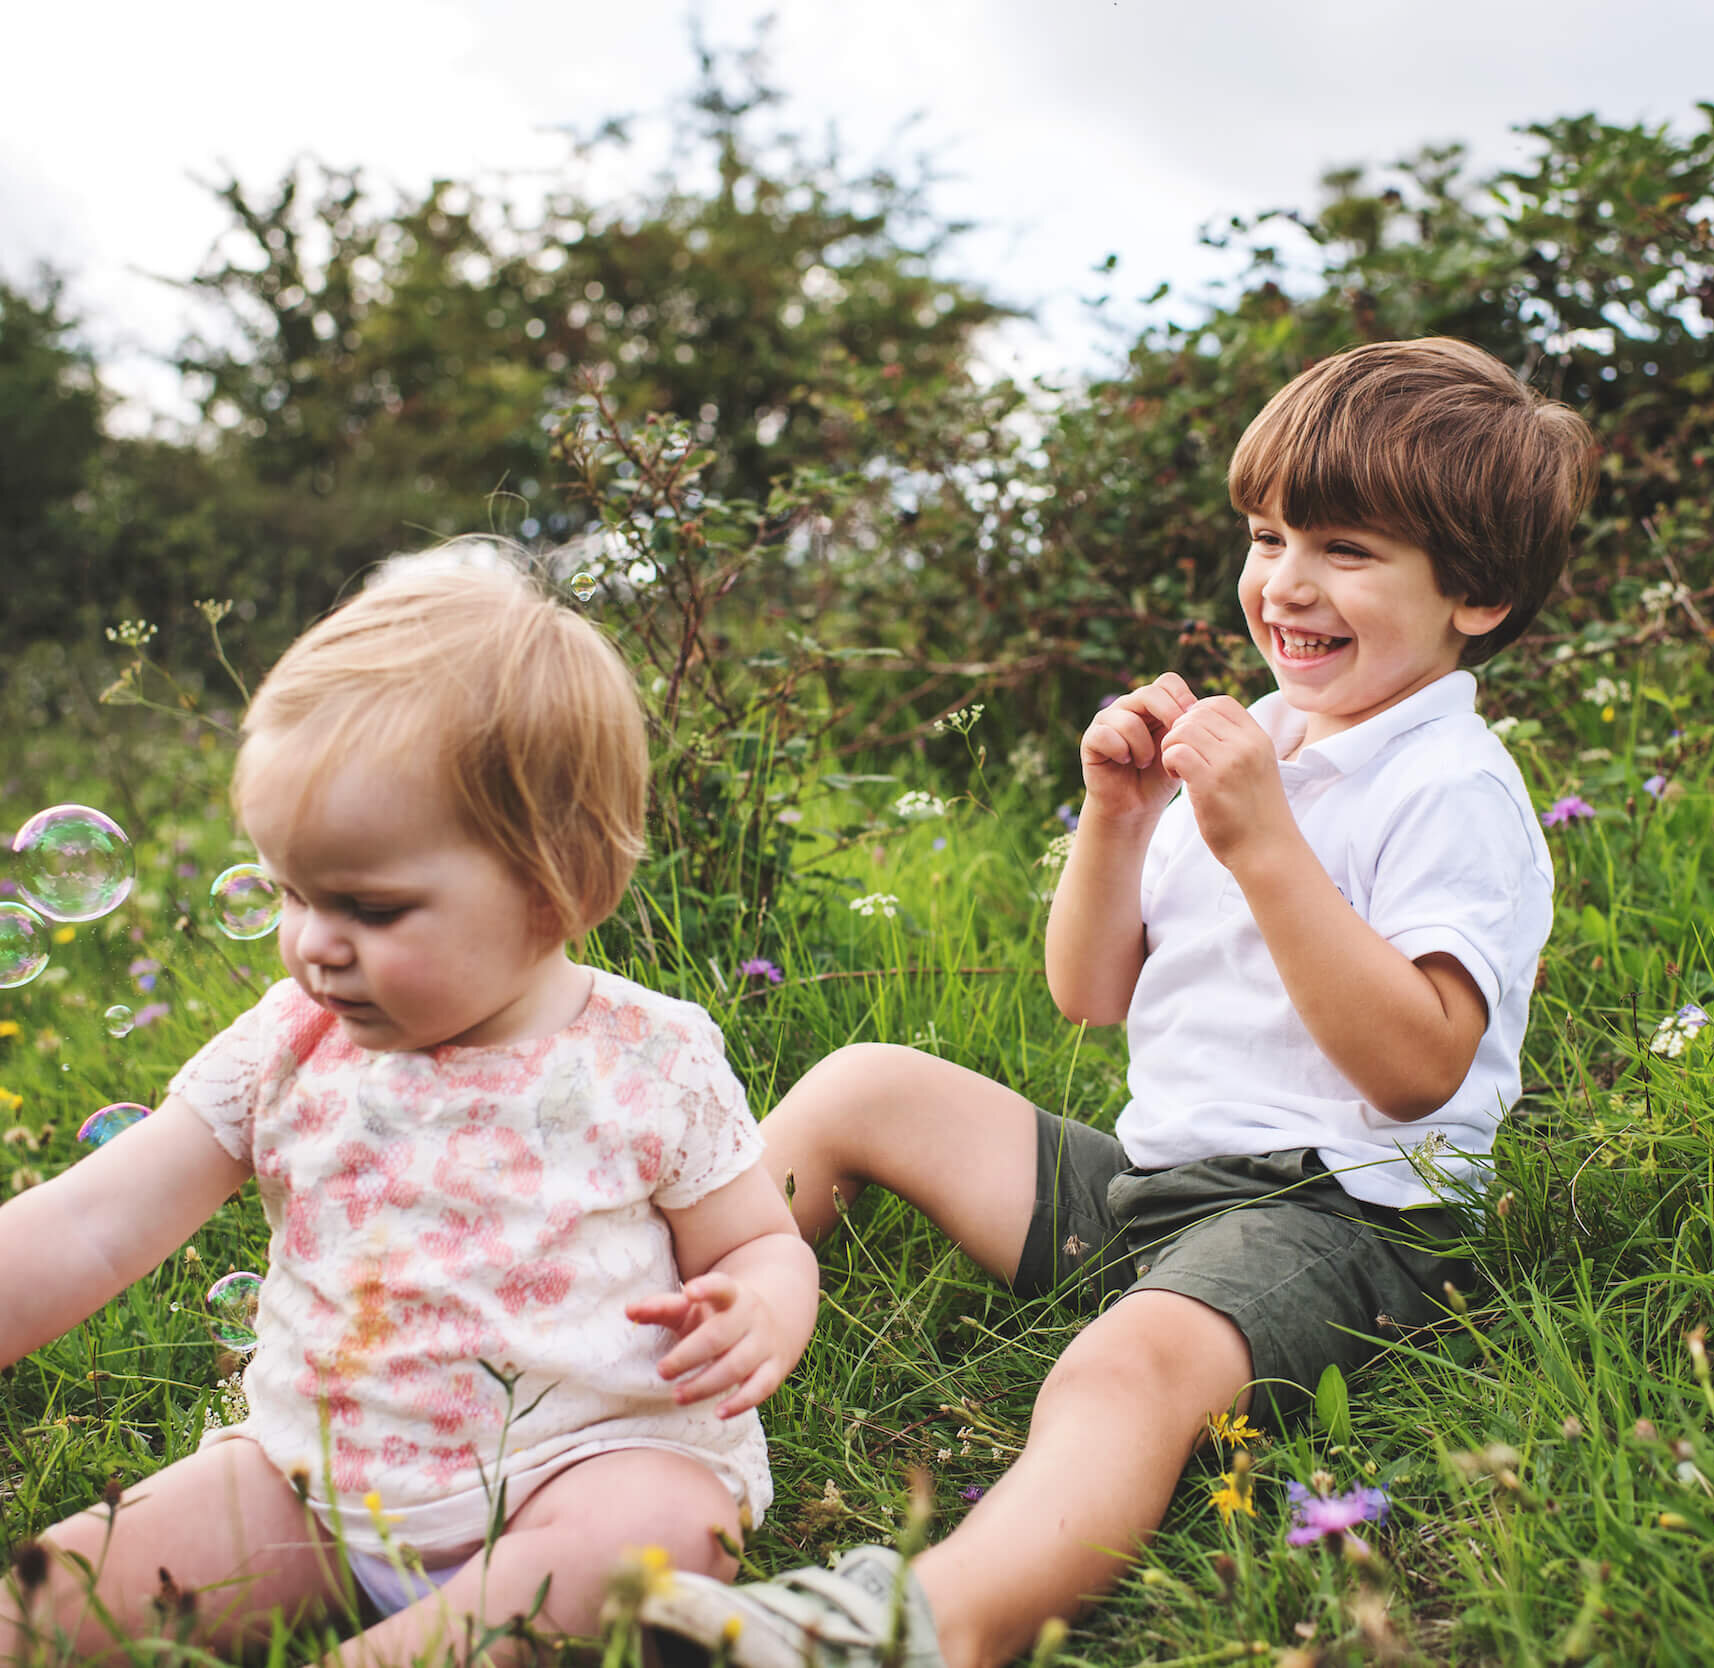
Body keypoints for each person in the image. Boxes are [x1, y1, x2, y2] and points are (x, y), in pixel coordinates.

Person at [641, 337, 1598, 1668]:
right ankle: (613, 1338)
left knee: (1115, 1373)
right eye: (1268, 536)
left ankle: (923, 1625)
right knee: (866, 1081)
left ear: (1477, 596)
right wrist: (1118, 816)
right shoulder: (1261, 742)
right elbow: (1090, 991)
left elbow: (1420, 1068)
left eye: (1348, 550)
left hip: (1342, 1217)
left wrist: (1266, 845)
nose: (1287, 584)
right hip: (1153, 1192)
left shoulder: (1450, 787)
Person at [0, 554, 819, 1665]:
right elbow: (85, 1225)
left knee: (661, 1531)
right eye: (291, 891)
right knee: (70, 1582)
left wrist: (764, 1307)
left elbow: (759, 1241)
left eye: (369, 907)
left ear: (559, 883)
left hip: (581, 1466)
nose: (311, 943)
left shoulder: (647, 1055)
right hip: (310, 1479)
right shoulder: (286, 1045)